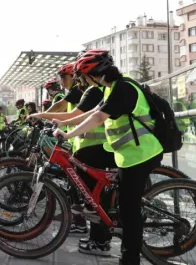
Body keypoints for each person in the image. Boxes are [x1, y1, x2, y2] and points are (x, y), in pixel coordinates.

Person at [52, 50, 164, 265]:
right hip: (126, 153)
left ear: (94, 74)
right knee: (90, 164)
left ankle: (129, 260)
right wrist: (62, 122)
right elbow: (93, 111)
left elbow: (98, 117)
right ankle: (103, 221)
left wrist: (68, 134)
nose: (83, 81)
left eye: (84, 76)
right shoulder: (111, 88)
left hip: (141, 153)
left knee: (129, 209)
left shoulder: (123, 88)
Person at [31, 60, 115, 254]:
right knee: (89, 194)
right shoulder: (99, 92)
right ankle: (96, 236)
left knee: (93, 196)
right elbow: (81, 116)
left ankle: (99, 239)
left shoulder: (93, 92)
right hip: (89, 148)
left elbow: (82, 115)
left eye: (78, 76)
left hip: (97, 149)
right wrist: (57, 124)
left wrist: (43, 117)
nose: (76, 80)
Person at [29, 62, 93, 237]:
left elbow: (62, 109)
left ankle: (85, 224)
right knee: (75, 183)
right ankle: (79, 221)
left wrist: (41, 116)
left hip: (91, 145)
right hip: (79, 142)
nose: (62, 81)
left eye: (64, 77)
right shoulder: (80, 91)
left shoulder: (78, 91)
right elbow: (66, 113)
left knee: (79, 185)